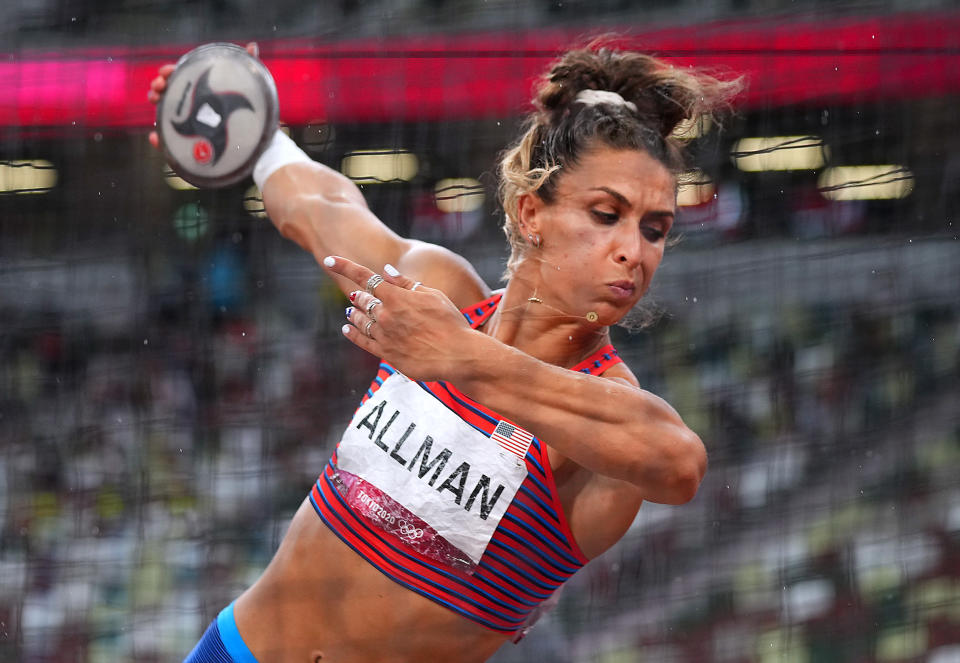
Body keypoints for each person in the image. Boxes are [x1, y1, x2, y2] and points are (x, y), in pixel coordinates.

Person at [149, 40, 738, 663]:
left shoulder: (596, 414)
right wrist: (252, 132)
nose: (634, 251)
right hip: (231, 650)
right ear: (530, 211)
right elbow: (322, 211)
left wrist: (461, 356)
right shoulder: (438, 295)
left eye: (654, 229)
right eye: (605, 214)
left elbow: (679, 463)